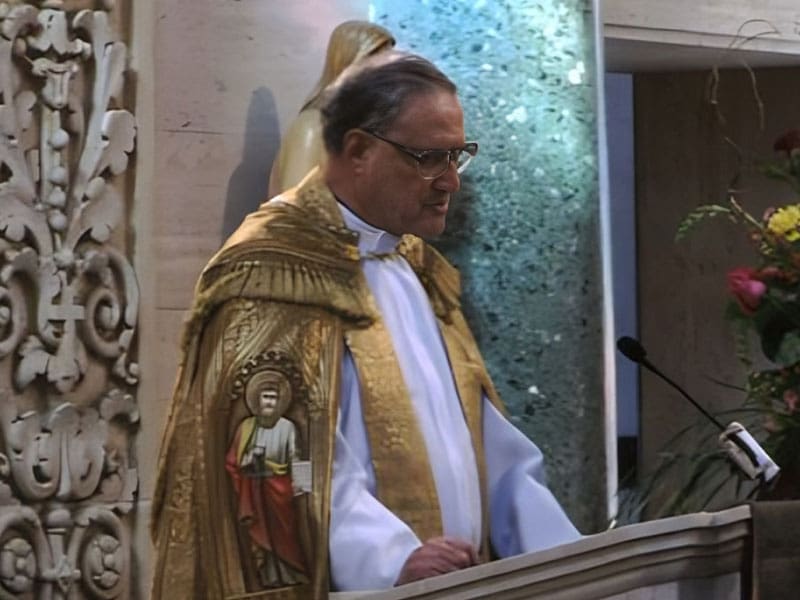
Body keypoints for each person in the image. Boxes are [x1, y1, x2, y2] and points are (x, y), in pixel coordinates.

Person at [151, 51, 581, 600]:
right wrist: (391, 558)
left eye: (458, 157)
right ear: (358, 150)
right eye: (429, 158)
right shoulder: (273, 270)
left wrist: (567, 555)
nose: (450, 181)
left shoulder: (414, 269)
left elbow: (484, 444)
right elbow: (271, 460)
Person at [267, 20, 395, 197]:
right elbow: (296, 213)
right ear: (348, 63)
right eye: (377, 66)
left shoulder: (365, 131)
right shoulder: (313, 128)